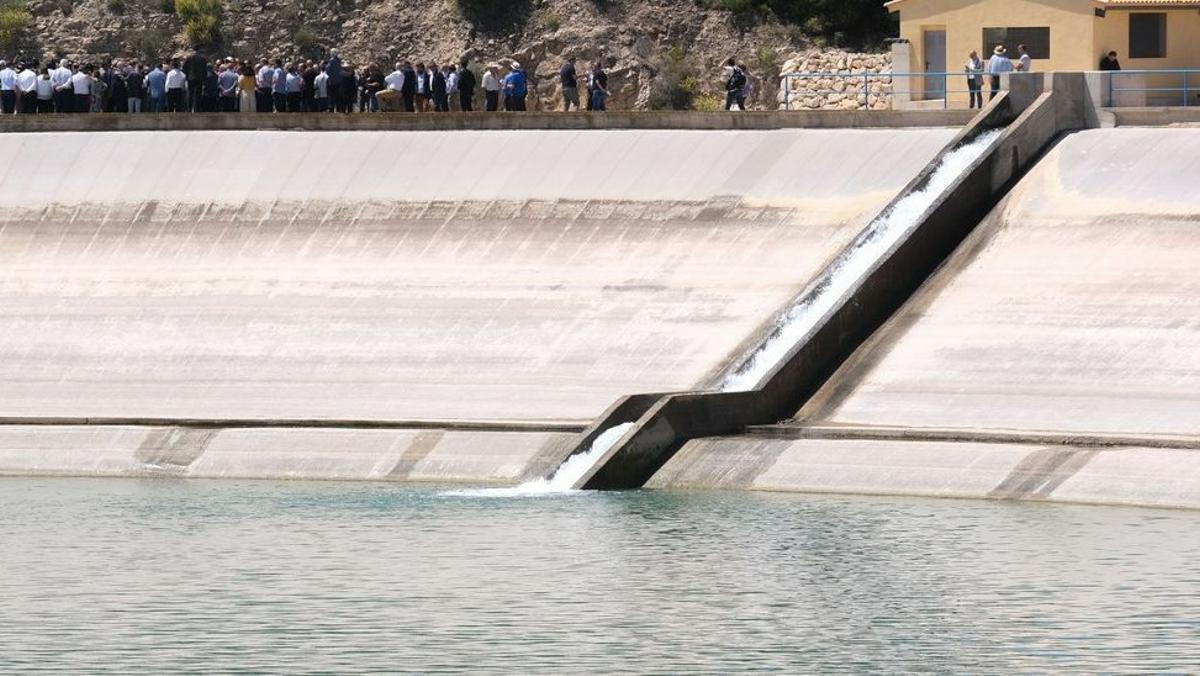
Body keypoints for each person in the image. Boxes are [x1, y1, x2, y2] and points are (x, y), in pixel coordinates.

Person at [183, 47, 207, 112]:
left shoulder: (189, 57)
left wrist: (187, 76)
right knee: (198, 94)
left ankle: (189, 109)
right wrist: (204, 79)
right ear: (199, 50)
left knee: (190, 93)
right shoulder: (203, 59)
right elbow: (205, 70)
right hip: (199, 78)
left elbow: (184, 68)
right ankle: (197, 109)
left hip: (191, 78)